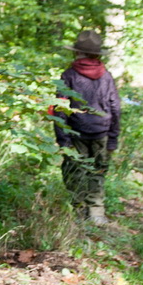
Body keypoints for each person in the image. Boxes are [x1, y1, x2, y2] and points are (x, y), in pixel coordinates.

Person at [52, 29, 121, 224]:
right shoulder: (106, 76)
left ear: (77, 52)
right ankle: (96, 213)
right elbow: (115, 107)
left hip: (75, 133)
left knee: (74, 172)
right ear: (97, 54)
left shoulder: (68, 75)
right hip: (102, 132)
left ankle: (78, 211)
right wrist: (113, 138)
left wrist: (63, 139)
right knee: (97, 172)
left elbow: (59, 109)